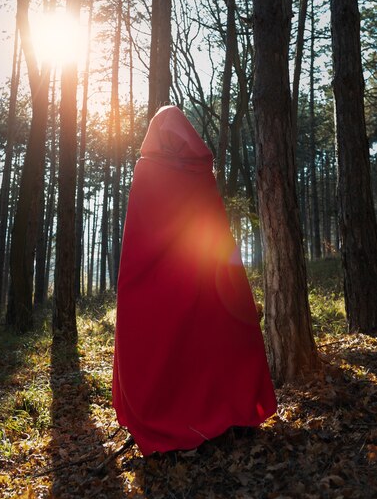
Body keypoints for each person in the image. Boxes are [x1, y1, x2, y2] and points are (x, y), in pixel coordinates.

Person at [112, 105, 276, 456]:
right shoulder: (193, 171)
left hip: (180, 281)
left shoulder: (152, 169)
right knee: (208, 341)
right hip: (198, 278)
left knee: (199, 345)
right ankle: (221, 416)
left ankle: (205, 419)